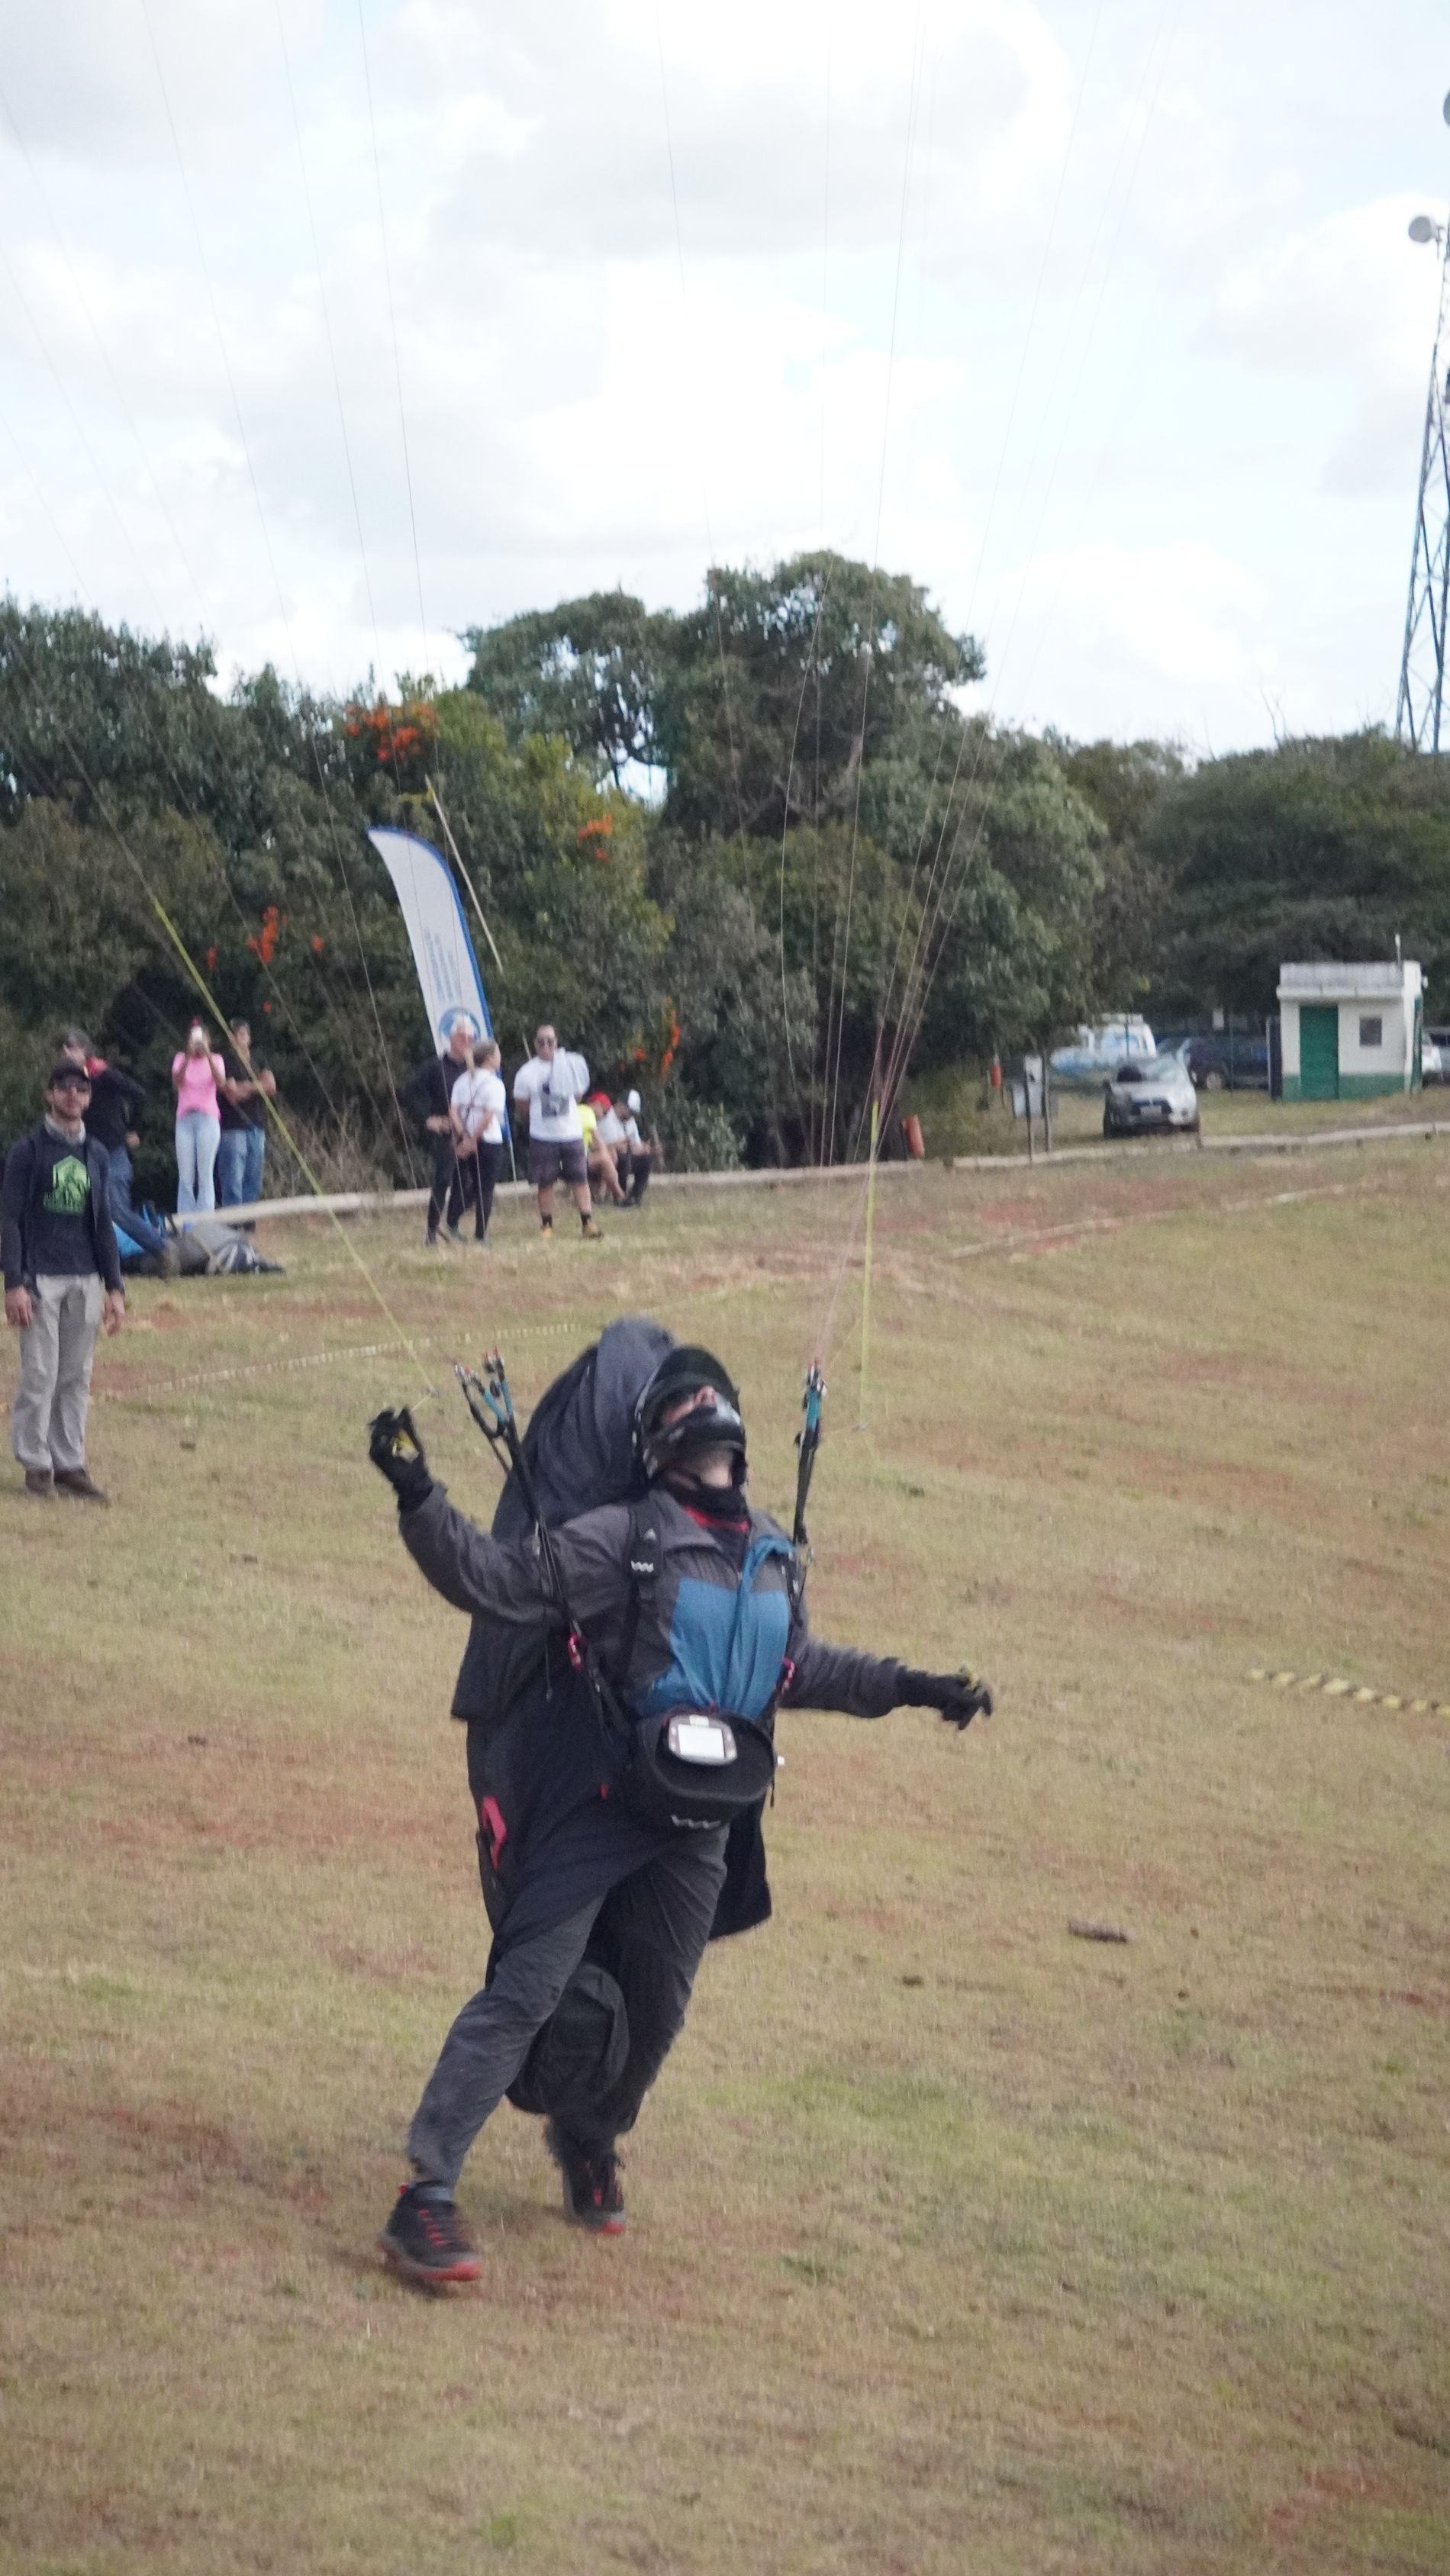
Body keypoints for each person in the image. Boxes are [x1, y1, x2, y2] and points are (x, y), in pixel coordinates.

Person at [366, 1343, 992, 2285]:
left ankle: (588, 2137)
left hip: (702, 1827)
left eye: (711, 1400)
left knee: (658, 2011)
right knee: (528, 1989)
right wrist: (418, 1494)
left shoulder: (773, 1554)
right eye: (681, 1404)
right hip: (603, 1807)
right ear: (656, 1439)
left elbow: (801, 1669)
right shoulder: (623, 1537)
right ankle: (426, 2190)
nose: (701, 1412)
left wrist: (911, 1686)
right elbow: (492, 1580)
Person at [3, 1060, 125, 1501]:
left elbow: (103, 1223)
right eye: (64, 1087)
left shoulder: (96, 1154)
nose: (73, 1094)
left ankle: (69, 1463)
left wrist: (115, 1288)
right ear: (50, 1095)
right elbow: (9, 1220)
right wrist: (14, 1283)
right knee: (40, 1373)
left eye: (81, 1088)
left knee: (76, 1375)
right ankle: (36, 1466)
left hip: (85, 1276)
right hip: (40, 1277)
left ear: (89, 1099)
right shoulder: (28, 1152)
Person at [53, 1027, 177, 1274]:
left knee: (117, 1211)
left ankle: (162, 1249)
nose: (67, 1052)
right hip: (86, 1153)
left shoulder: (103, 1075)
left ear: (85, 1050)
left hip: (113, 1153)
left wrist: (132, 1129)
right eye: (64, 1048)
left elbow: (139, 1094)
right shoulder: (68, 1082)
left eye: (72, 1047)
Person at [512, 1025, 601, 1239]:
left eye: (550, 1041)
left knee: (580, 1178)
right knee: (545, 1182)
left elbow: (578, 1094)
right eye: (541, 1042)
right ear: (535, 1044)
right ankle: (547, 1225)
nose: (546, 1046)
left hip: (571, 1133)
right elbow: (522, 1104)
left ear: (556, 1042)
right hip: (543, 1135)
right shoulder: (527, 1072)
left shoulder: (569, 1064)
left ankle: (587, 1222)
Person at [402, 1019, 478, 1249]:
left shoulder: (473, 1069)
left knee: (472, 1182)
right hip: (445, 1132)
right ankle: (431, 1232)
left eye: (470, 1038)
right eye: (462, 1037)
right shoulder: (434, 1066)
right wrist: (427, 1119)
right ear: (451, 1038)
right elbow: (410, 1093)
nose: (466, 1042)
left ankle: (451, 1224)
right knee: (444, 1178)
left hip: (469, 1132)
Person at [446, 1038, 507, 1245]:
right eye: (497, 1054)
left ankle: (452, 1220)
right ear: (489, 1058)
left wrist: (464, 1136)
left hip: (465, 1138)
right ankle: (480, 1235)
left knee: (470, 1184)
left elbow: (453, 1111)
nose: (499, 1057)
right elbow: (489, 1116)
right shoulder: (495, 1084)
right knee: (485, 1189)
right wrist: (474, 1139)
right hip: (489, 1140)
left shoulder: (462, 1080)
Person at [217, 1019, 276, 1209]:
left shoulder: (258, 1059)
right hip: (232, 1126)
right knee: (233, 1176)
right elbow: (232, 1095)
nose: (240, 1038)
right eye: (237, 1034)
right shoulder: (224, 1061)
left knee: (253, 1176)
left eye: (244, 1034)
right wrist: (258, 1086)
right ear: (231, 1038)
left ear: (249, 1038)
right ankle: (233, 1220)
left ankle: (248, 1219)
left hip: (256, 1124)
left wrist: (245, 1087)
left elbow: (271, 1086)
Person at [171, 1021, 226, 1215]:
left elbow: (221, 1083)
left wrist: (208, 1055)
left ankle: (205, 1217)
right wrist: (188, 1056)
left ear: (208, 1041)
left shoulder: (217, 1059)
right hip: (185, 1119)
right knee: (185, 1175)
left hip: (207, 1119)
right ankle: (186, 1217)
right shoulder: (180, 1058)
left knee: (205, 1173)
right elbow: (177, 1081)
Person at [598, 1089, 652, 1208]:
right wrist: (632, 1148)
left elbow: (635, 1143)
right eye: (630, 1111)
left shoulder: (630, 1121)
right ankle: (620, 1196)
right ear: (621, 1105)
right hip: (610, 1158)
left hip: (626, 1155)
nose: (631, 1115)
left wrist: (643, 1149)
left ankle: (635, 1197)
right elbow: (613, 1147)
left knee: (646, 1159)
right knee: (623, 1158)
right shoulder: (607, 1119)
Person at [581, 1093, 627, 1206]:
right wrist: (614, 1146)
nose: (603, 1116)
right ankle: (618, 1194)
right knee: (607, 1157)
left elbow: (593, 1145)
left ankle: (602, 1193)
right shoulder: (588, 1114)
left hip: (579, 1154)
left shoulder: (581, 1110)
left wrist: (612, 1147)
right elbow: (599, 1144)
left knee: (609, 1153)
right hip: (578, 1158)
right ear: (597, 1104)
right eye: (604, 1112)